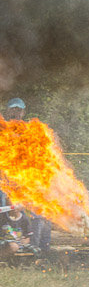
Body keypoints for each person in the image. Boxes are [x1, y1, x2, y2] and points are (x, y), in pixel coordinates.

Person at [3, 99, 51, 252]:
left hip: (25, 176)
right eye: (13, 109)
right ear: (8, 111)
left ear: (23, 112)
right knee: (6, 210)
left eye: (19, 110)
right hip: (5, 177)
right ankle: (8, 244)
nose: (16, 112)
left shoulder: (29, 129)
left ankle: (33, 246)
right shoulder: (2, 127)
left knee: (32, 210)